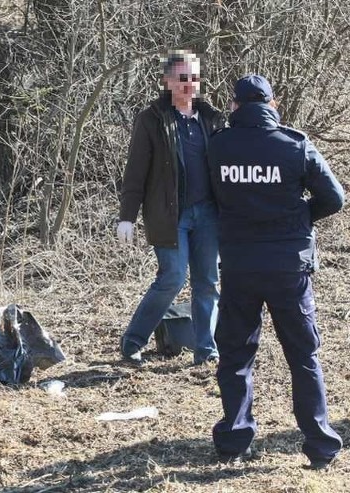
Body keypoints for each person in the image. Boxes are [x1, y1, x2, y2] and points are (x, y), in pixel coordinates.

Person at [208, 74, 344, 469]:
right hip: (288, 266)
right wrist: (299, 217)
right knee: (303, 356)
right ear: (272, 103)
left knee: (235, 355)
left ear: (234, 106)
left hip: (239, 265)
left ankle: (234, 441)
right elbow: (333, 197)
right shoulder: (295, 144)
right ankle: (320, 446)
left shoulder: (218, 147)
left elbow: (206, 197)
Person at [117, 49, 224, 365]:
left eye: (193, 78)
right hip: (169, 215)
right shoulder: (151, 119)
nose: (189, 84)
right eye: (182, 78)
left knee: (207, 282)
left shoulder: (211, 119)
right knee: (173, 277)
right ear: (167, 81)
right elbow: (135, 172)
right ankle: (132, 341)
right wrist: (127, 217)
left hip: (207, 215)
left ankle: (206, 350)